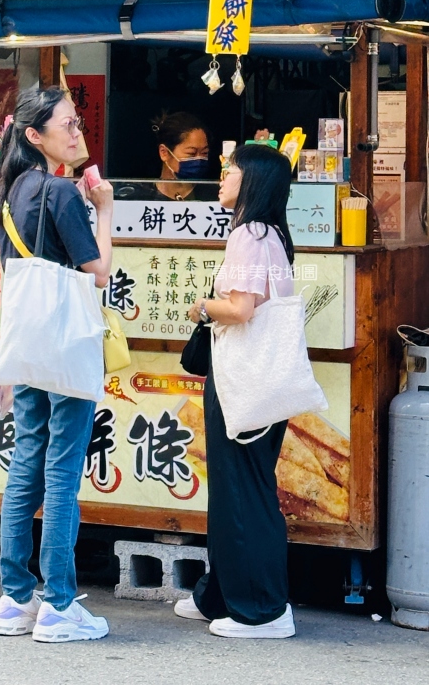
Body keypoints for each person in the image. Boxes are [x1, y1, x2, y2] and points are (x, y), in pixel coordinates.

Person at [0, 87, 114, 644]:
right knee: (62, 470)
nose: (76, 129)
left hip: (29, 338)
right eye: (67, 122)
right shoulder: (61, 191)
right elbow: (98, 271)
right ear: (34, 136)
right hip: (65, 339)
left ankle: (15, 600)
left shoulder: (9, 190)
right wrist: (105, 208)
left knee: (24, 465)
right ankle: (59, 604)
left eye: (77, 120)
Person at [176, 143, 297, 639]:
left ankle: (263, 611)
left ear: (252, 182)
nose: (222, 178)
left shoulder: (249, 233)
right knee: (239, 491)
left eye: (230, 171)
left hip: (244, 380)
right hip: (260, 381)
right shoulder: (269, 234)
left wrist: (204, 307)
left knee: (244, 494)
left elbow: (242, 308)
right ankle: (221, 595)